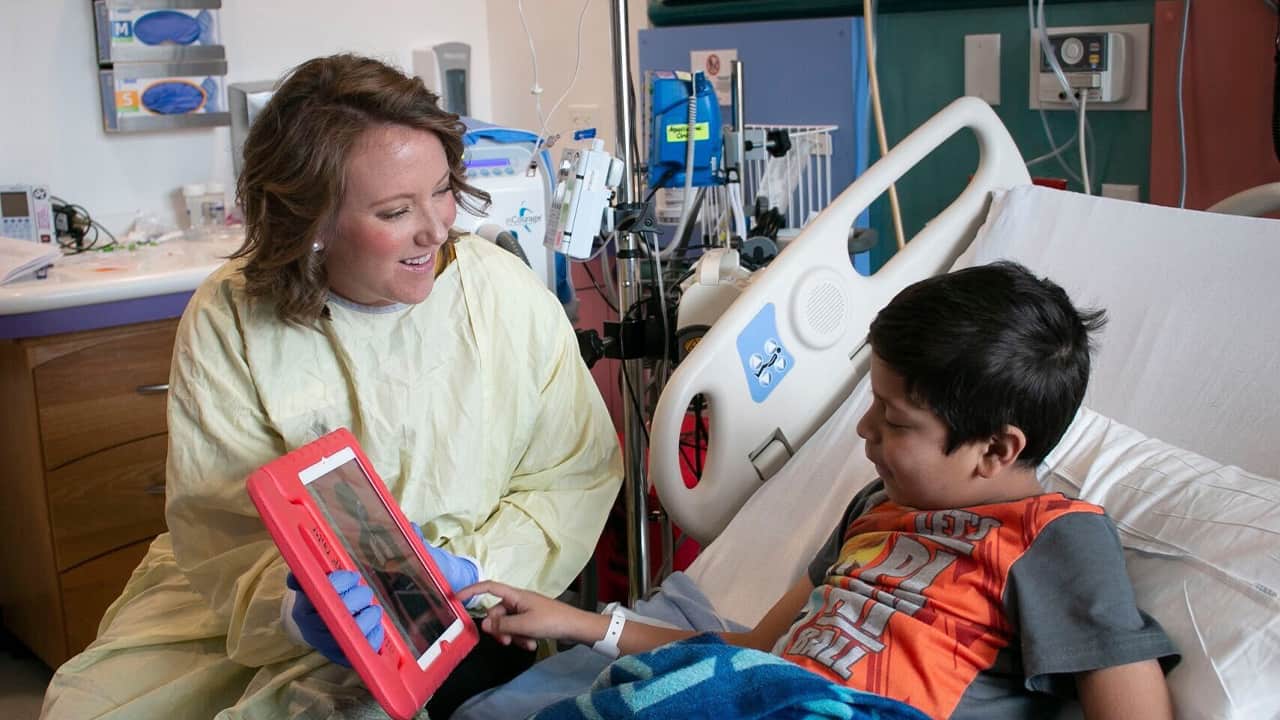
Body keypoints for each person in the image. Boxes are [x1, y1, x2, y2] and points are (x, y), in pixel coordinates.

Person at [40, 54, 622, 720]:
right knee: (85, 706)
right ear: (311, 223)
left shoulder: (504, 297)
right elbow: (219, 527)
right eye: (396, 210)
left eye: (441, 189)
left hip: (464, 600)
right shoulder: (230, 317)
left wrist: (457, 574)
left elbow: (573, 476)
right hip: (240, 601)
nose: (436, 228)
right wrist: (294, 607)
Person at [458, 262, 1181, 720]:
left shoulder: (1058, 536)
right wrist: (582, 623)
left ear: (996, 449)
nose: (864, 431)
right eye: (872, 402)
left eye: (895, 421)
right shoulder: (877, 507)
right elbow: (754, 653)